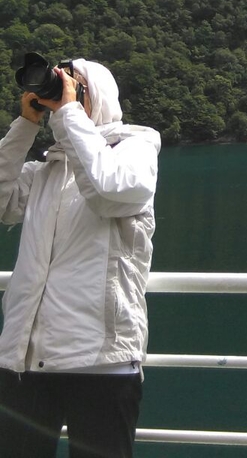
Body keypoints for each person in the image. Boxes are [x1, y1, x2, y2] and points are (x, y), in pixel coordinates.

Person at [0, 57, 161, 458]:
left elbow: (109, 191)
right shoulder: (46, 171)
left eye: (73, 86)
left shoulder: (136, 149)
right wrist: (25, 127)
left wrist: (69, 113)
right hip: (27, 358)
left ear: (97, 95)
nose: (62, 96)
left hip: (101, 362)